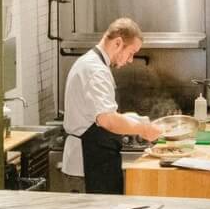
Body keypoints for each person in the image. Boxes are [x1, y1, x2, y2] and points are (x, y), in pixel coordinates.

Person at [59, 17, 162, 194]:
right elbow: (108, 121)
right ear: (118, 43)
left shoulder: (94, 64)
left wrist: (134, 119)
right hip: (88, 166)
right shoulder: (95, 70)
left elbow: (101, 115)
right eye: (130, 53)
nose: (130, 60)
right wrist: (142, 129)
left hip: (96, 161)